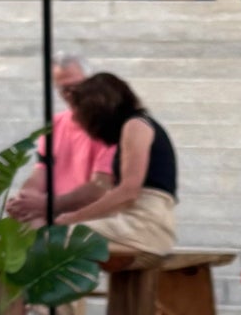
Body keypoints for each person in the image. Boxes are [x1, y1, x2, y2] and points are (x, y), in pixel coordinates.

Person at [57, 73, 178, 265]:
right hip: (146, 223)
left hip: (143, 225)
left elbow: (128, 192)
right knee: (61, 237)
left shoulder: (135, 125)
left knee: (54, 240)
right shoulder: (137, 125)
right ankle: (72, 294)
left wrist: (74, 217)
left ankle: (64, 295)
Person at [6, 52, 115, 226]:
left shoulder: (110, 125)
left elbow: (99, 189)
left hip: (93, 216)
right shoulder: (55, 125)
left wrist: (45, 205)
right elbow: (40, 173)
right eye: (64, 89)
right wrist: (25, 199)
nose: (72, 94)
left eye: (78, 86)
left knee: (38, 229)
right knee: (27, 222)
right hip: (55, 211)